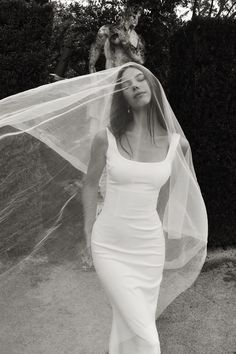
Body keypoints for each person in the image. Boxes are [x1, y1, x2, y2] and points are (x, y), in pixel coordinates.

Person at [0, 62, 208, 354]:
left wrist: (159, 230)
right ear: (121, 97)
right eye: (127, 85)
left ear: (152, 85)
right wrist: (88, 231)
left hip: (148, 251)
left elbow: (166, 195)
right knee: (146, 335)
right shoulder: (106, 138)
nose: (135, 86)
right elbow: (89, 184)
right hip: (109, 244)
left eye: (140, 79)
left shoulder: (178, 146)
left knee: (128, 325)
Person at [89, 5, 145, 73]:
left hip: (129, 78)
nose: (136, 19)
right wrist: (91, 66)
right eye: (133, 15)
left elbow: (141, 60)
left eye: (138, 16)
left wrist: (126, 44)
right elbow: (96, 47)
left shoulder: (137, 38)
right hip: (111, 75)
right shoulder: (108, 30)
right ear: (125, 15)